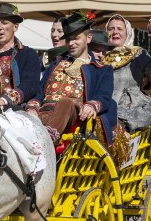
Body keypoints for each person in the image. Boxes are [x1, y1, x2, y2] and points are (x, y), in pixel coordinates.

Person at [25, 11, 117, 147]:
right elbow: (39, 92)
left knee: (66, 103)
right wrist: (32, 108)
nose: (71, 43)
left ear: (89, 38)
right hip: (42, 114)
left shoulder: (102, 70)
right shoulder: (56, 62)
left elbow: (104, 96)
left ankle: (45, 142)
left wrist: (92, 105)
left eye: (76, 38)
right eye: (69, 39)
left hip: (74, 120)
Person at [103, 14, 151, 131]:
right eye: (111, 29)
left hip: (131, 109)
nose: (115, 32)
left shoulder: (137, 53)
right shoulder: (99, 54)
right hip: (104, 106)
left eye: (119, 29)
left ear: (127, 32)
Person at [0, 2, 42, 108]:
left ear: (15, 27)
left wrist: (4, 100)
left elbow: (30, 85)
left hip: (13, 110)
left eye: (4, 22)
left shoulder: (28, 55)